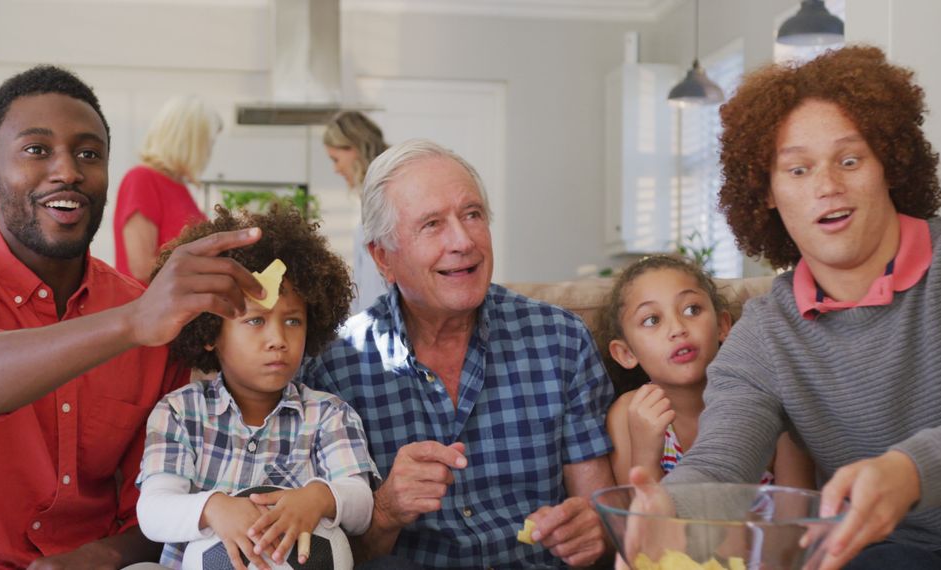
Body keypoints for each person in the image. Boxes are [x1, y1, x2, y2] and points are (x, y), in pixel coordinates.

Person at [0, 65, 266, 568]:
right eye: (37, 150)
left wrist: (100, 555)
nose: (68, 171)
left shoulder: (145, 320)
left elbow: (159, 501)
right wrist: (131, 322)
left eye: (89, 153)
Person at [649, 46, 941, 570]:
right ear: (765, 192)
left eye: (850, 160)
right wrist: (660, 510)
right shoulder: (767, 334)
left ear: (888, 163)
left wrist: (910, 470)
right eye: (796, 170)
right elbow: (722, 462)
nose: (827, 187)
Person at [301, 138, 616, 568]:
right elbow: (328, 557)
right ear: (382, 258)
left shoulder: (560, 340)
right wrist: (388, 509)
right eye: (432, 224)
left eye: (472, 215)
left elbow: (599, 512)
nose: (464, 240)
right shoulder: (335, 367)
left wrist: (593, 529)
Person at [135, 205, 378, 569]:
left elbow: (361, 506)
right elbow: (153, 510)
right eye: (255, 321)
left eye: (293, 320)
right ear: (210, 332)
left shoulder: (329, 415)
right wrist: (213, 508)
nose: (278, 339)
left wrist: (318, 498)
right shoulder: (178, 413)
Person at [598, 255, 814, 487]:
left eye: (692, 310)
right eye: (652, 320)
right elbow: (640, 520)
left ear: (722, 325)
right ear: (626, 353)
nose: (677, 329)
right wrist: (645, 456)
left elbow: (796, 513)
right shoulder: (627, 416)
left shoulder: (771, 402)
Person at [115, 95, 220, 283]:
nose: (209, 152)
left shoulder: (179, 186)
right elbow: (142, 267)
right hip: (150, 309)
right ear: (191, 142)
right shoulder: (142, 179)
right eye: (208, 143)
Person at [322, 111, 390, 314]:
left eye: (335, 159)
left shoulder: (387, 193)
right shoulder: (369, 196)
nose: (336, 169)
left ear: (354, 148)